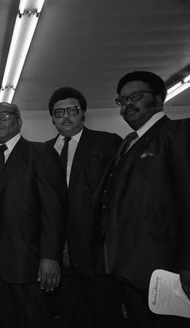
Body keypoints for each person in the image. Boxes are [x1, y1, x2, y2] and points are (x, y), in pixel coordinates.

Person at [91, 71, 190, 327]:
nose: (127, 104)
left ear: (158, 99)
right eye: (122, 100)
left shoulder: (177, 133)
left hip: (163, 270)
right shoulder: (128, 142)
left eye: (135, 96)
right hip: (127, 267)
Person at [0, 102, 66, 327]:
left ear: (19, 120)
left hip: (29, 264)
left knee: (33, 320)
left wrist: (50, 257)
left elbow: (53, 209)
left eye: (3, 116)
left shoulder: (39, 153)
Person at [45, 87, 124, 327]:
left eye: (72, 110)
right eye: (59, 112)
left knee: (103, 314)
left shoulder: (108, 142)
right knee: (68, 316)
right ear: (52, 118)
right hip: (60, 252)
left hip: (98, 251)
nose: (65, 116)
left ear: (83, 113)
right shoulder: (43, 151)